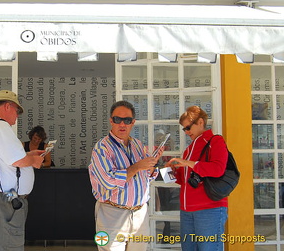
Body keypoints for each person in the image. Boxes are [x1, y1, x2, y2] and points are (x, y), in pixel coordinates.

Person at [0, 90, 44, 251]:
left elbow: (5, 159)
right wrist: (33, 160)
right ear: (7, 106)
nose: (17, 116)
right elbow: (17, 160)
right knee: (7, 245)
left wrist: (28, 155)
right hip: (0, 199)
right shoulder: (0, 126)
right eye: (17, 111)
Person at [88, 100, 163, 251]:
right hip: (111, 214)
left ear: (133, 122)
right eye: (117, 119)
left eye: (127, 120)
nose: (122, 124)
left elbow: (146, 177)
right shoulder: (102, 148)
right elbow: (108, 181)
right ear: (111, 121)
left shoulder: (138, 145)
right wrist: (137, 167)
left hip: (140, 213)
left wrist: (151, 165)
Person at [166, 106, 228, 251]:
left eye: (188, 127)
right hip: (187, 210)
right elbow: (183, 181)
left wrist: (187, 163)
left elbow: (218, 169)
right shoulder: (189, 150)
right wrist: (168, 171)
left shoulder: (215, 141)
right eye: (184, 129)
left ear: (200, 122)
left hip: (209, 208)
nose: (187, 132)